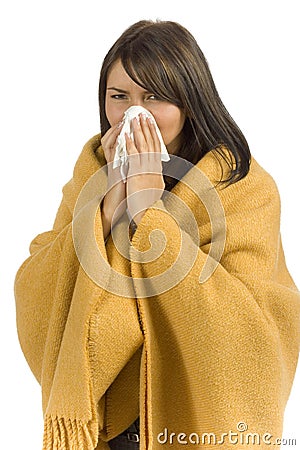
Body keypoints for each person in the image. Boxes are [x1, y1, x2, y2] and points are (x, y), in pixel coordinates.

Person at [15, 20, 300, 450]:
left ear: (190, 101)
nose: (135, 114)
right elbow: (39, 289)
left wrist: (150, 214)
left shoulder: (243, 188)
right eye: (120, 98)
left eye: (154, 97)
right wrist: (108, 208)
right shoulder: (92, 174)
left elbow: (249, 331)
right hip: (105, 428)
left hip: (190, 426)